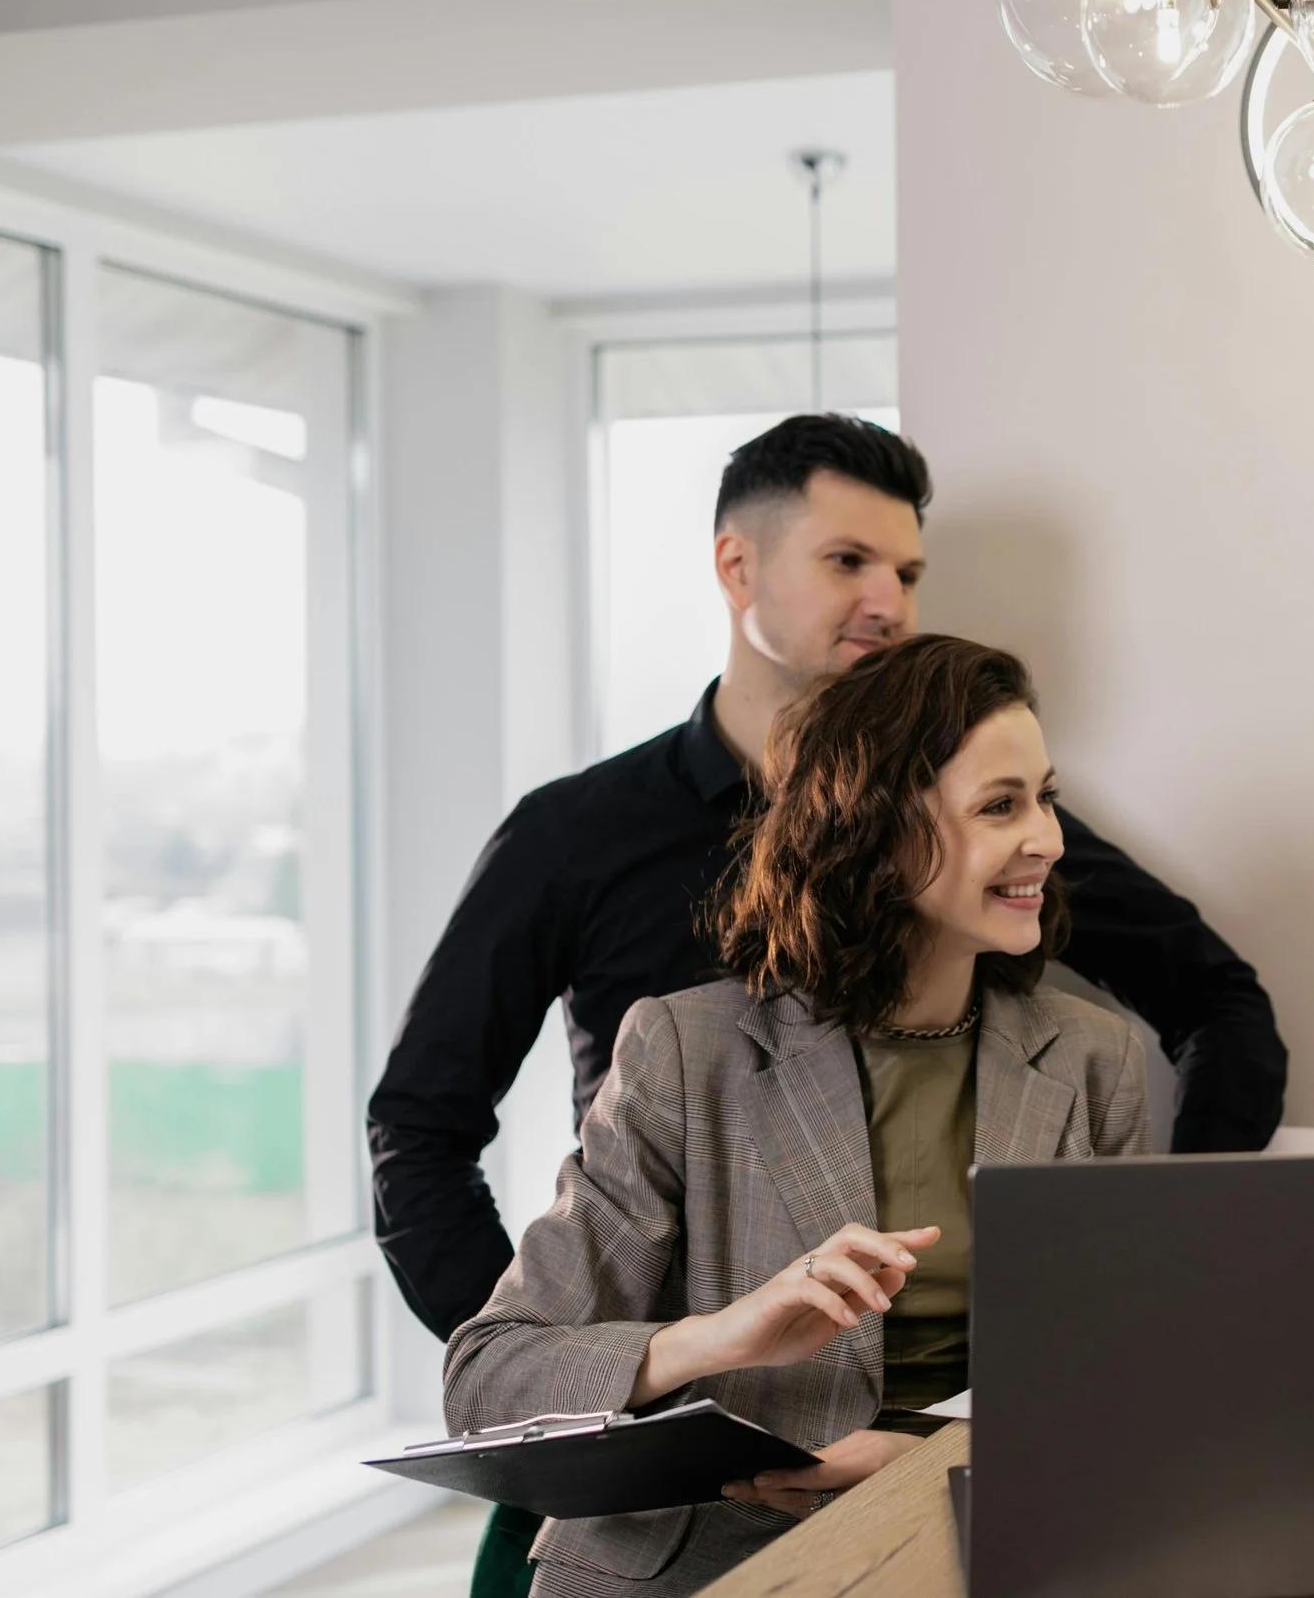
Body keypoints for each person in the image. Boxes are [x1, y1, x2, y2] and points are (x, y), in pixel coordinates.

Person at [368, 415, 1285, 1593]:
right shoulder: (588, 858)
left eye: (907, 570)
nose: (886, 601)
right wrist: (599, 1392)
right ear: (737, 565)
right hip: (661, 1452)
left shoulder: (1047, 975)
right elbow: (427, 1135)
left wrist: (1163, 1244)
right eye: (847, 561)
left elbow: (1220, 1008)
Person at [443, 634, 1147, 1597]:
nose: (1050, 839)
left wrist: (939, 1450)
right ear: (879, 830)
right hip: (701, 1554)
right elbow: (489, 1375)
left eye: (1044, 797)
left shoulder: (1093, 1057)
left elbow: (1119, 1375)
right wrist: (722, 1334)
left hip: (993, 1536)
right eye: (1001, 805)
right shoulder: (685, 1051)